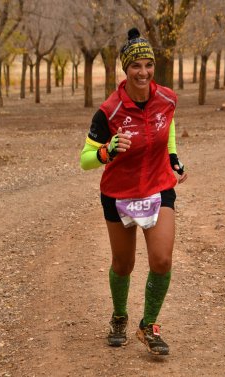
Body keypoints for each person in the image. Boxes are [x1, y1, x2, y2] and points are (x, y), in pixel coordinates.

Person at [79, 28, 187, 356]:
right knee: (123, 264)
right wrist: (106, 150)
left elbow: (165, 131)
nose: (143, 72)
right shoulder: (109, 111)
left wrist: (173, 159)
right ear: (125, 70)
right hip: (119, 194)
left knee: (162, 259)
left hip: (157, 186)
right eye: (136, 66)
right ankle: (118, 316)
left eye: (148, 65)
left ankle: (148, 325)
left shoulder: (167, 99)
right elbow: (85, 160)